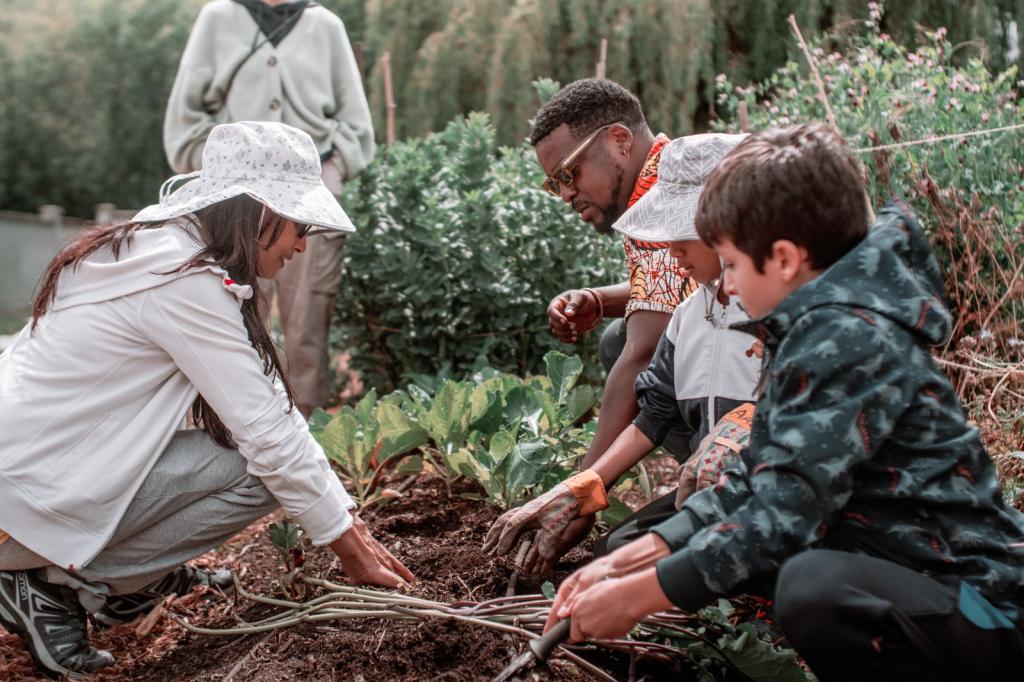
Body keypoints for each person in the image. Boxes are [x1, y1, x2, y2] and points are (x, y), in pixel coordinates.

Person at [540, 123, 1024, 680]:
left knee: (812, 590)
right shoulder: (809, 325)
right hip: (911, 583)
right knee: (804, 579)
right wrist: (637, 555)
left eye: (732, 264)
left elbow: (782, 518)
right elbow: (754, 477)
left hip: (982, 607)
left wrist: (636, 598)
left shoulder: (850, 339)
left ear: (786, 259)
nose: (728, 287)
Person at [0, 121, 413, 678]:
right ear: (256, 211)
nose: (302, 243)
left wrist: (343, 516)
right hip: (17, 505)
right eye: (299, 222)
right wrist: (352, 549)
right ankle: (55, 583)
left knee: (253, 460)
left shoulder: (160, 244)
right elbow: (269, 429)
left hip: (26, 475)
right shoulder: (181, 280)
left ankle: (126, 581)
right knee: (259, 468)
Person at [485, 133, 759, 573]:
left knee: (658, 564)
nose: (672, 248)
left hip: (774, 490)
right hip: (718, 487)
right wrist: (579, 492)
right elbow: (652, 417)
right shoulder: (692, 314)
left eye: (684, 230)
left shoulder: (783, 313)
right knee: (616, 552)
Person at [164, 0, 374, 417]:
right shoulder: (217, 18)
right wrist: (224, 169)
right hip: (230, 205)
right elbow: (184, 124)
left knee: (307, 331)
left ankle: (305, 442)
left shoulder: (325, 25)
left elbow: (358, 128)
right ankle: (225, 438)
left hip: (308, 202)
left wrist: (327, 173)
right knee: (227, 321)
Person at [531, 78, 697, 558]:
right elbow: (680, 284)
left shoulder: (664, 194)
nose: (565, 194)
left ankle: (721, 481)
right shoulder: (662, 169)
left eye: (569, 173)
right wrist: (597, 298)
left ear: (619, 141)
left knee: (618, 554)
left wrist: (577, 496)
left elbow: (643, 353)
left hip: (767, 407)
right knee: (616, 335)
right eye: (554, 183)